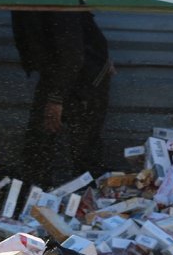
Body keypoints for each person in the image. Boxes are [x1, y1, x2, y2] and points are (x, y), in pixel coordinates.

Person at [11, 10, 115, 186]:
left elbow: (71, 53)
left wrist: (56, 98)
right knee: (39, 147)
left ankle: (90, 204)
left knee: (82, 152)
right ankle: (37, 201)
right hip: (66, 72)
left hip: (80, 78)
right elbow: (84, 31)